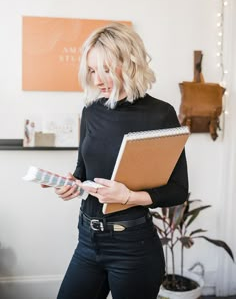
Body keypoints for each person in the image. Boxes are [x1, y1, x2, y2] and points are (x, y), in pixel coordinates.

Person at [54, 23, 188, 299]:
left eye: (105, 69)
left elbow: (177, 190)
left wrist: (127, 196)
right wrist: (71, 184)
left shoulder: (160, 114)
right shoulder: (90, 111)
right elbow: (82, 171)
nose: (97, 80)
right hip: (87, 241)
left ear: (130, 63)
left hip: (133, 248)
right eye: (92, 70)